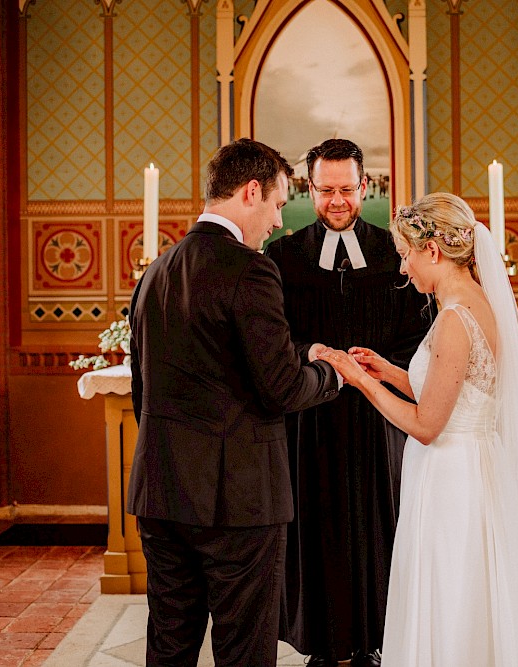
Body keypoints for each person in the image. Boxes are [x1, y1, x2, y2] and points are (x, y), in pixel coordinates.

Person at [319, 193, 518, 666]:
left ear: (433, 252)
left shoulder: (452, 321)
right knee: (472, 589)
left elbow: (426, 425)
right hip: (472, 465)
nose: (403, 270)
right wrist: (389, 372)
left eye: (405, 256)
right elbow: (455, 391)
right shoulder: (475, 304)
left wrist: (359, 382)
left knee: (450, 590)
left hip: (450, 478)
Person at [127, 138, 342, 667]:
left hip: (162, 491)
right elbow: (282, 388)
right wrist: (330, 373)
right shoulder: (250, 269)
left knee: (169, 644)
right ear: (251, 192)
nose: (276, 222)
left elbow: (143, 388)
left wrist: (297, 355)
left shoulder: (156, 271)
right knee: (243, 650)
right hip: (238, 501)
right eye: (276, 204)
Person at [264, 139, 432, 667]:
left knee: (380, 529)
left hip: (379, 422)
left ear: (366, 187)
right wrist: (312, 363)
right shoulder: (283, 256)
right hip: (309, 424)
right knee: (315, 533)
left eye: (347, 189)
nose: (337, 200)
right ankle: (322, 643)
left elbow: (420, 338)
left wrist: (376, 370)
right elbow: (273, 337)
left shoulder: (393, 253)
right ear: (306, 190)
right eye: (325, 190)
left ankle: (376, 641)